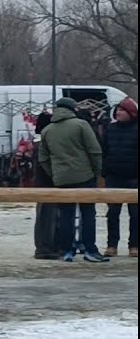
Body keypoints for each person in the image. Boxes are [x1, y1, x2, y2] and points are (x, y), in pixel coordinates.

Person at [38, 97, 108, 263]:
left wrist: (54, 173)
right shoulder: (81, 125)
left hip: (61, 178)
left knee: (66, 215)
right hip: (85, 176)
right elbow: (94, 150)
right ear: (72, 109)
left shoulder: (47, 130)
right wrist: (97, 172)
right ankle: (90, 249)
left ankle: (67, 250)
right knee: (88, 213)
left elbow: (43, 158)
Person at [101, 97, 138, 257]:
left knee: (135, 214)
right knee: (113, 213)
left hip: (134, 177)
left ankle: (134, 246)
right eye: (117, 110)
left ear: (131, 113)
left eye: (122, 110)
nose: (118, 112)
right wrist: (105, 172)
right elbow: (104, 151)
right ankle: (112, 245)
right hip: (114, 177)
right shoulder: (110, 129)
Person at [31, 111, 59, 259]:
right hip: (48, 183)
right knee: (47, 216)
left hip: (42, 183)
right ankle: (45, 247)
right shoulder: (45, 142)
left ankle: (45, 246)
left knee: (45, 215)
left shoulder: (38, 141)